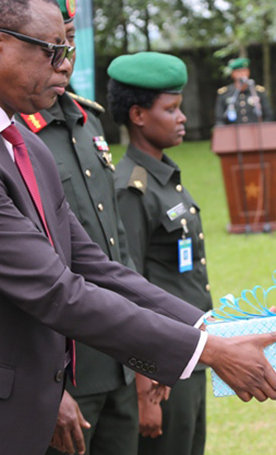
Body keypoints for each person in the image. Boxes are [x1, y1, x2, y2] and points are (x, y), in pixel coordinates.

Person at [0, 0, 276, 455]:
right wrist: (208, 352)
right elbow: (54, 290)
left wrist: (218, 326)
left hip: (1, 409)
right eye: (51, 50)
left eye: (67, 49)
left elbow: (96, 268)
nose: (64, 66)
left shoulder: (24, 146)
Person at [17, 0, 140, 455]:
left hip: (120, 356)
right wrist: (50, 386)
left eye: (69, 40)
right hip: (65, 367)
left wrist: (145, 350)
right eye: (53, 43)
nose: (64, 56)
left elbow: (116, 248)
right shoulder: (15, 135)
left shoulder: (87, 121)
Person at [110, 51, 212, 455]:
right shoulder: (130, 188)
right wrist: (143, 387)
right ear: (138, 115)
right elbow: (124, 286)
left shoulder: (165, 178)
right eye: (170, 109)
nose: (181, 117)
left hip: (192, 352)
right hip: (162, 366)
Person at [214, 58, 274, 125]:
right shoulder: (225, 93)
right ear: (232, 74)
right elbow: (219, 119)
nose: (242, 74)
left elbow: (269, 115)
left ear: (248, 72)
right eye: (238, 71)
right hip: (233, 132)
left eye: (244, 71)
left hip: (255, 131)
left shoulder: (257, 92)